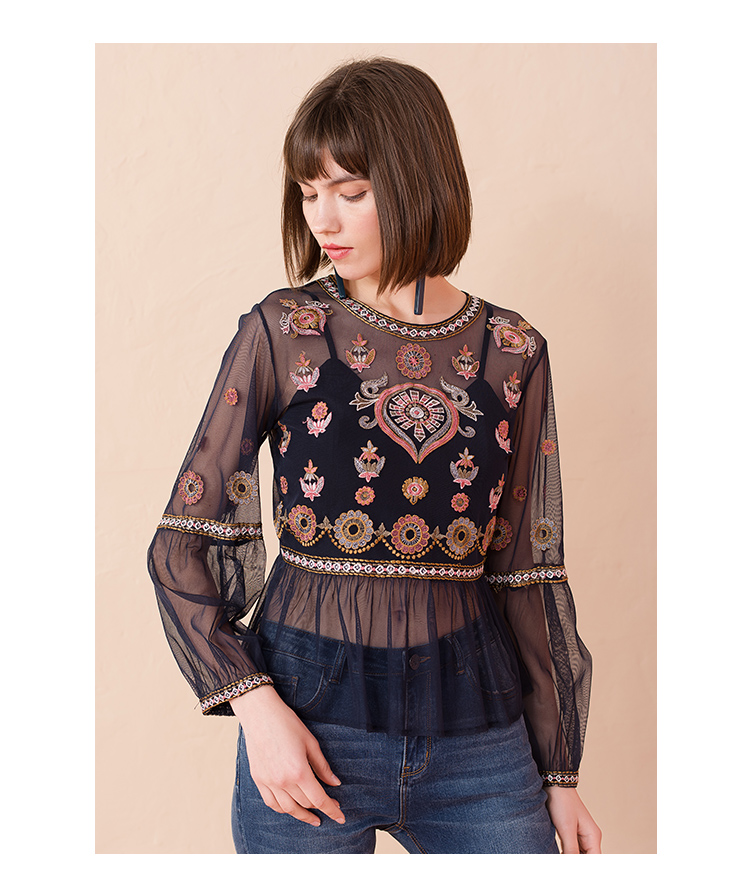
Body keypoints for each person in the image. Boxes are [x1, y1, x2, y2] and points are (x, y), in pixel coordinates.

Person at [148, 57, 602, 854]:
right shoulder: (285, 331)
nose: (323, 219)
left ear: (420, 180)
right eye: (308, 193)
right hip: (307, 726)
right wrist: (257, 710)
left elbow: (527, 571)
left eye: (351, 192)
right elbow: (182, 542)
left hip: (477, 734)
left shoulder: (513, 351)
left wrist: (559, 775)